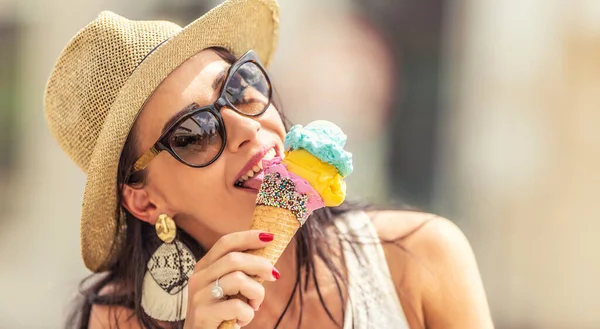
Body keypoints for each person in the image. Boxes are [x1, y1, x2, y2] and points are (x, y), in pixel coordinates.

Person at [44, 0, 494, 328]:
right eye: (193, 133)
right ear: (144, 200)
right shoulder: (117, 320)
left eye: (239, 87)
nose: (244, 127)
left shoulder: (419, 260)